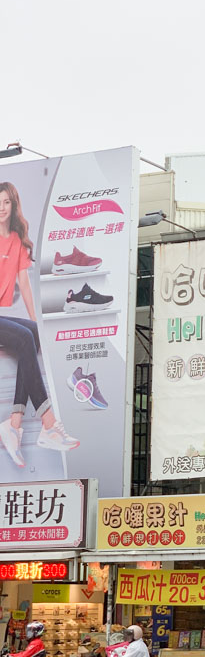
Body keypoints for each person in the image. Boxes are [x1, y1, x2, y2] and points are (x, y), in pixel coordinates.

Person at [0, 182, 78, 466]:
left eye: (6, 202)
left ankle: (14, 422)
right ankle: (48, 423)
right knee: (22, 338)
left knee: (31, 334)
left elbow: (24, 282)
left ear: (13, 205)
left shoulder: (17, 239)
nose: (1, 207)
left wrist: (37, 322)